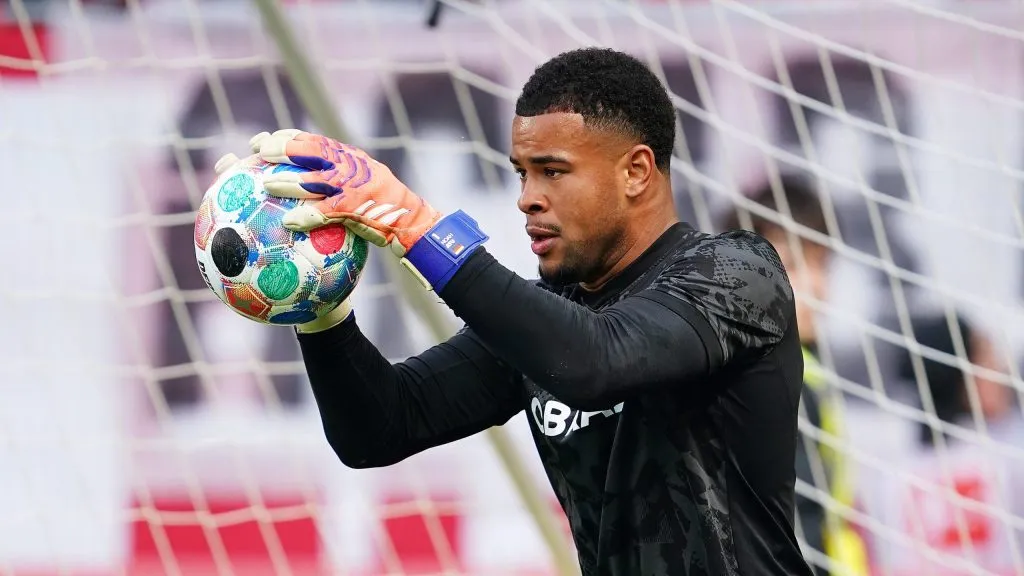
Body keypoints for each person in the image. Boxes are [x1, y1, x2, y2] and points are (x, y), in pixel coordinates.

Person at [217, 47, 813, 575]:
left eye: (553, 171)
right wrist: (318, 307)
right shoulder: (551, 318)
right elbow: (379, 429)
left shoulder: (739, 271)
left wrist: (416, 227)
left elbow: (596, 360)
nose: (528, 197)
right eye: (522, 173)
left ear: (636, 171)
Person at [720, 177, 868, 576]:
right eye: (796, 266)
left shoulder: (805, 368)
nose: (817, 285)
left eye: (822, 264)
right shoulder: (764, 380)